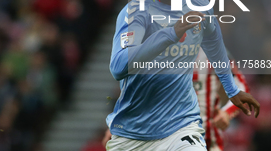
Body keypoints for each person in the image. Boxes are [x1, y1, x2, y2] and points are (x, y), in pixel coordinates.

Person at [105, 0, 260, 151]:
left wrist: (232, 90)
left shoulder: (200, 7)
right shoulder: (135, 12)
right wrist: (171, 33)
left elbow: (215, 49)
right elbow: (118, 67)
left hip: (181, 127)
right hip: (132, 134)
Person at [102, 48, 250, 151]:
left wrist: (226, 112)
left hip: (206, 138)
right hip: (163, 137)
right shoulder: (158, 51)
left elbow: (241, 87)